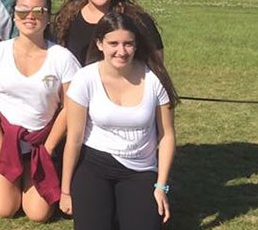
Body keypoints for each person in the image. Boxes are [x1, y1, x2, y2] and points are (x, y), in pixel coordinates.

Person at [59, 12, 178, 229]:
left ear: (136, 45)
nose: (121, 51)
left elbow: (167, 135)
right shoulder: (85, 78)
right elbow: (74, 139)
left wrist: (161, 186)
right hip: (94, 165)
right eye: (113, 43)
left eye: (128, 44)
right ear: (100, 44)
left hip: (140, 169)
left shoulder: (154, 79)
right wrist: (66, 190)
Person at [0, 0, 80, 221]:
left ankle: (34, 174)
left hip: (41, 142)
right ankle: (15, 179)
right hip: (5, 139)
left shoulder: (62, 57)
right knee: (4, 209)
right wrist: (0, 142)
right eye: (23, 11)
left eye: (38, 11)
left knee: (38, 214)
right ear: (14, 16)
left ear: (48, 17)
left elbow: (70, 106)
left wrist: (49, 146)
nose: (30, 17)